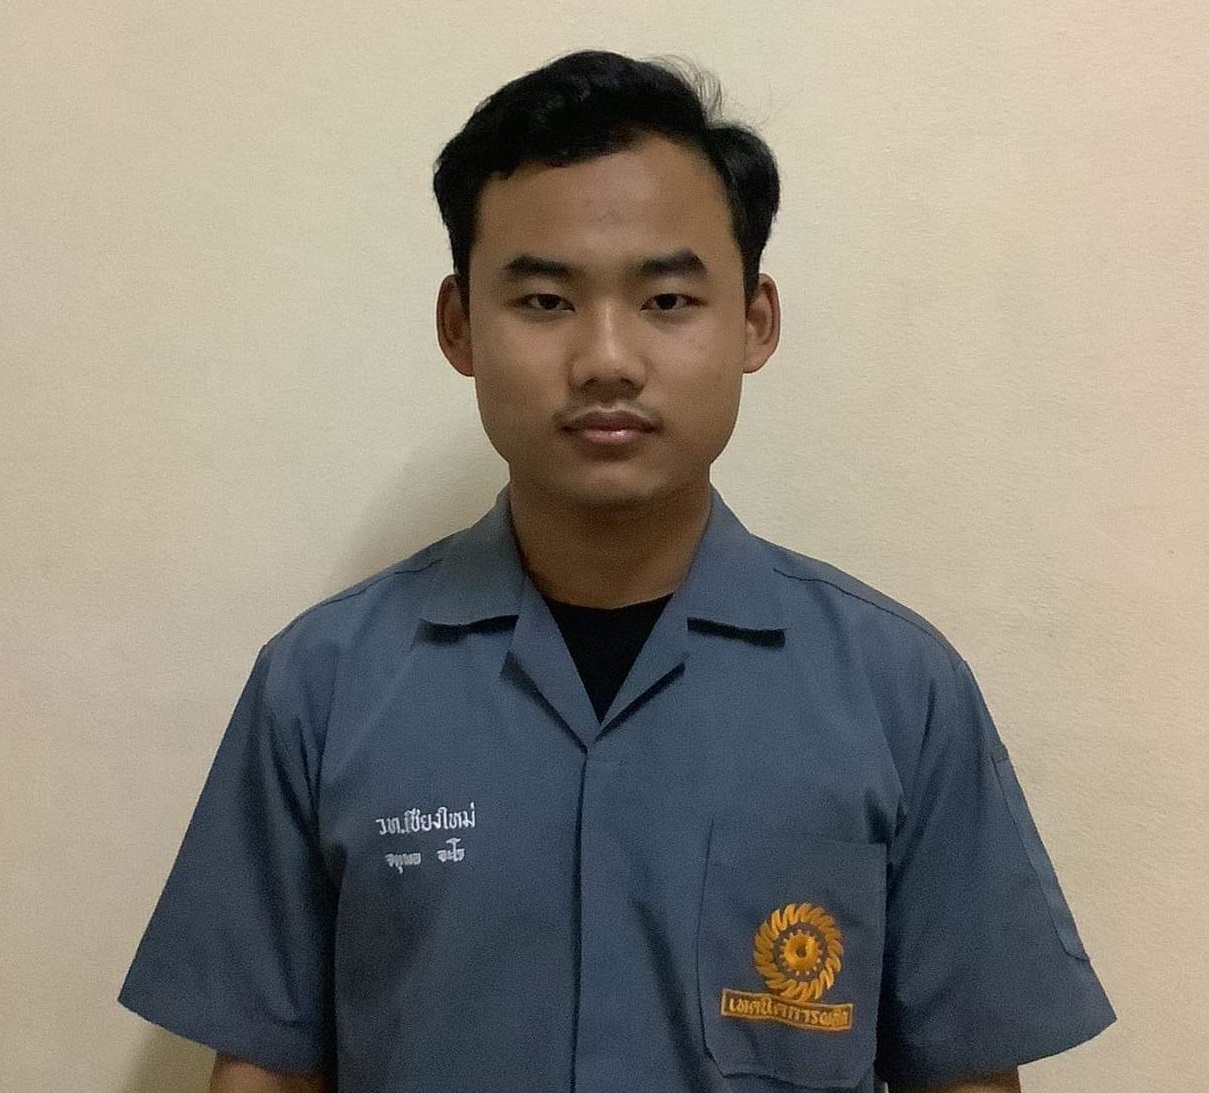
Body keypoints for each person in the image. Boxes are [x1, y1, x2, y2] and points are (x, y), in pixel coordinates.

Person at [120, 50, 1115, 1093]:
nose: (606, 358)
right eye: (545, 300)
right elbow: (266, 1073)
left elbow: (964, 1074)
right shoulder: (322, 687)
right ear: (460, 326)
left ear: (754, 322)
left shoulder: (897, 691)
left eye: (668, 299)